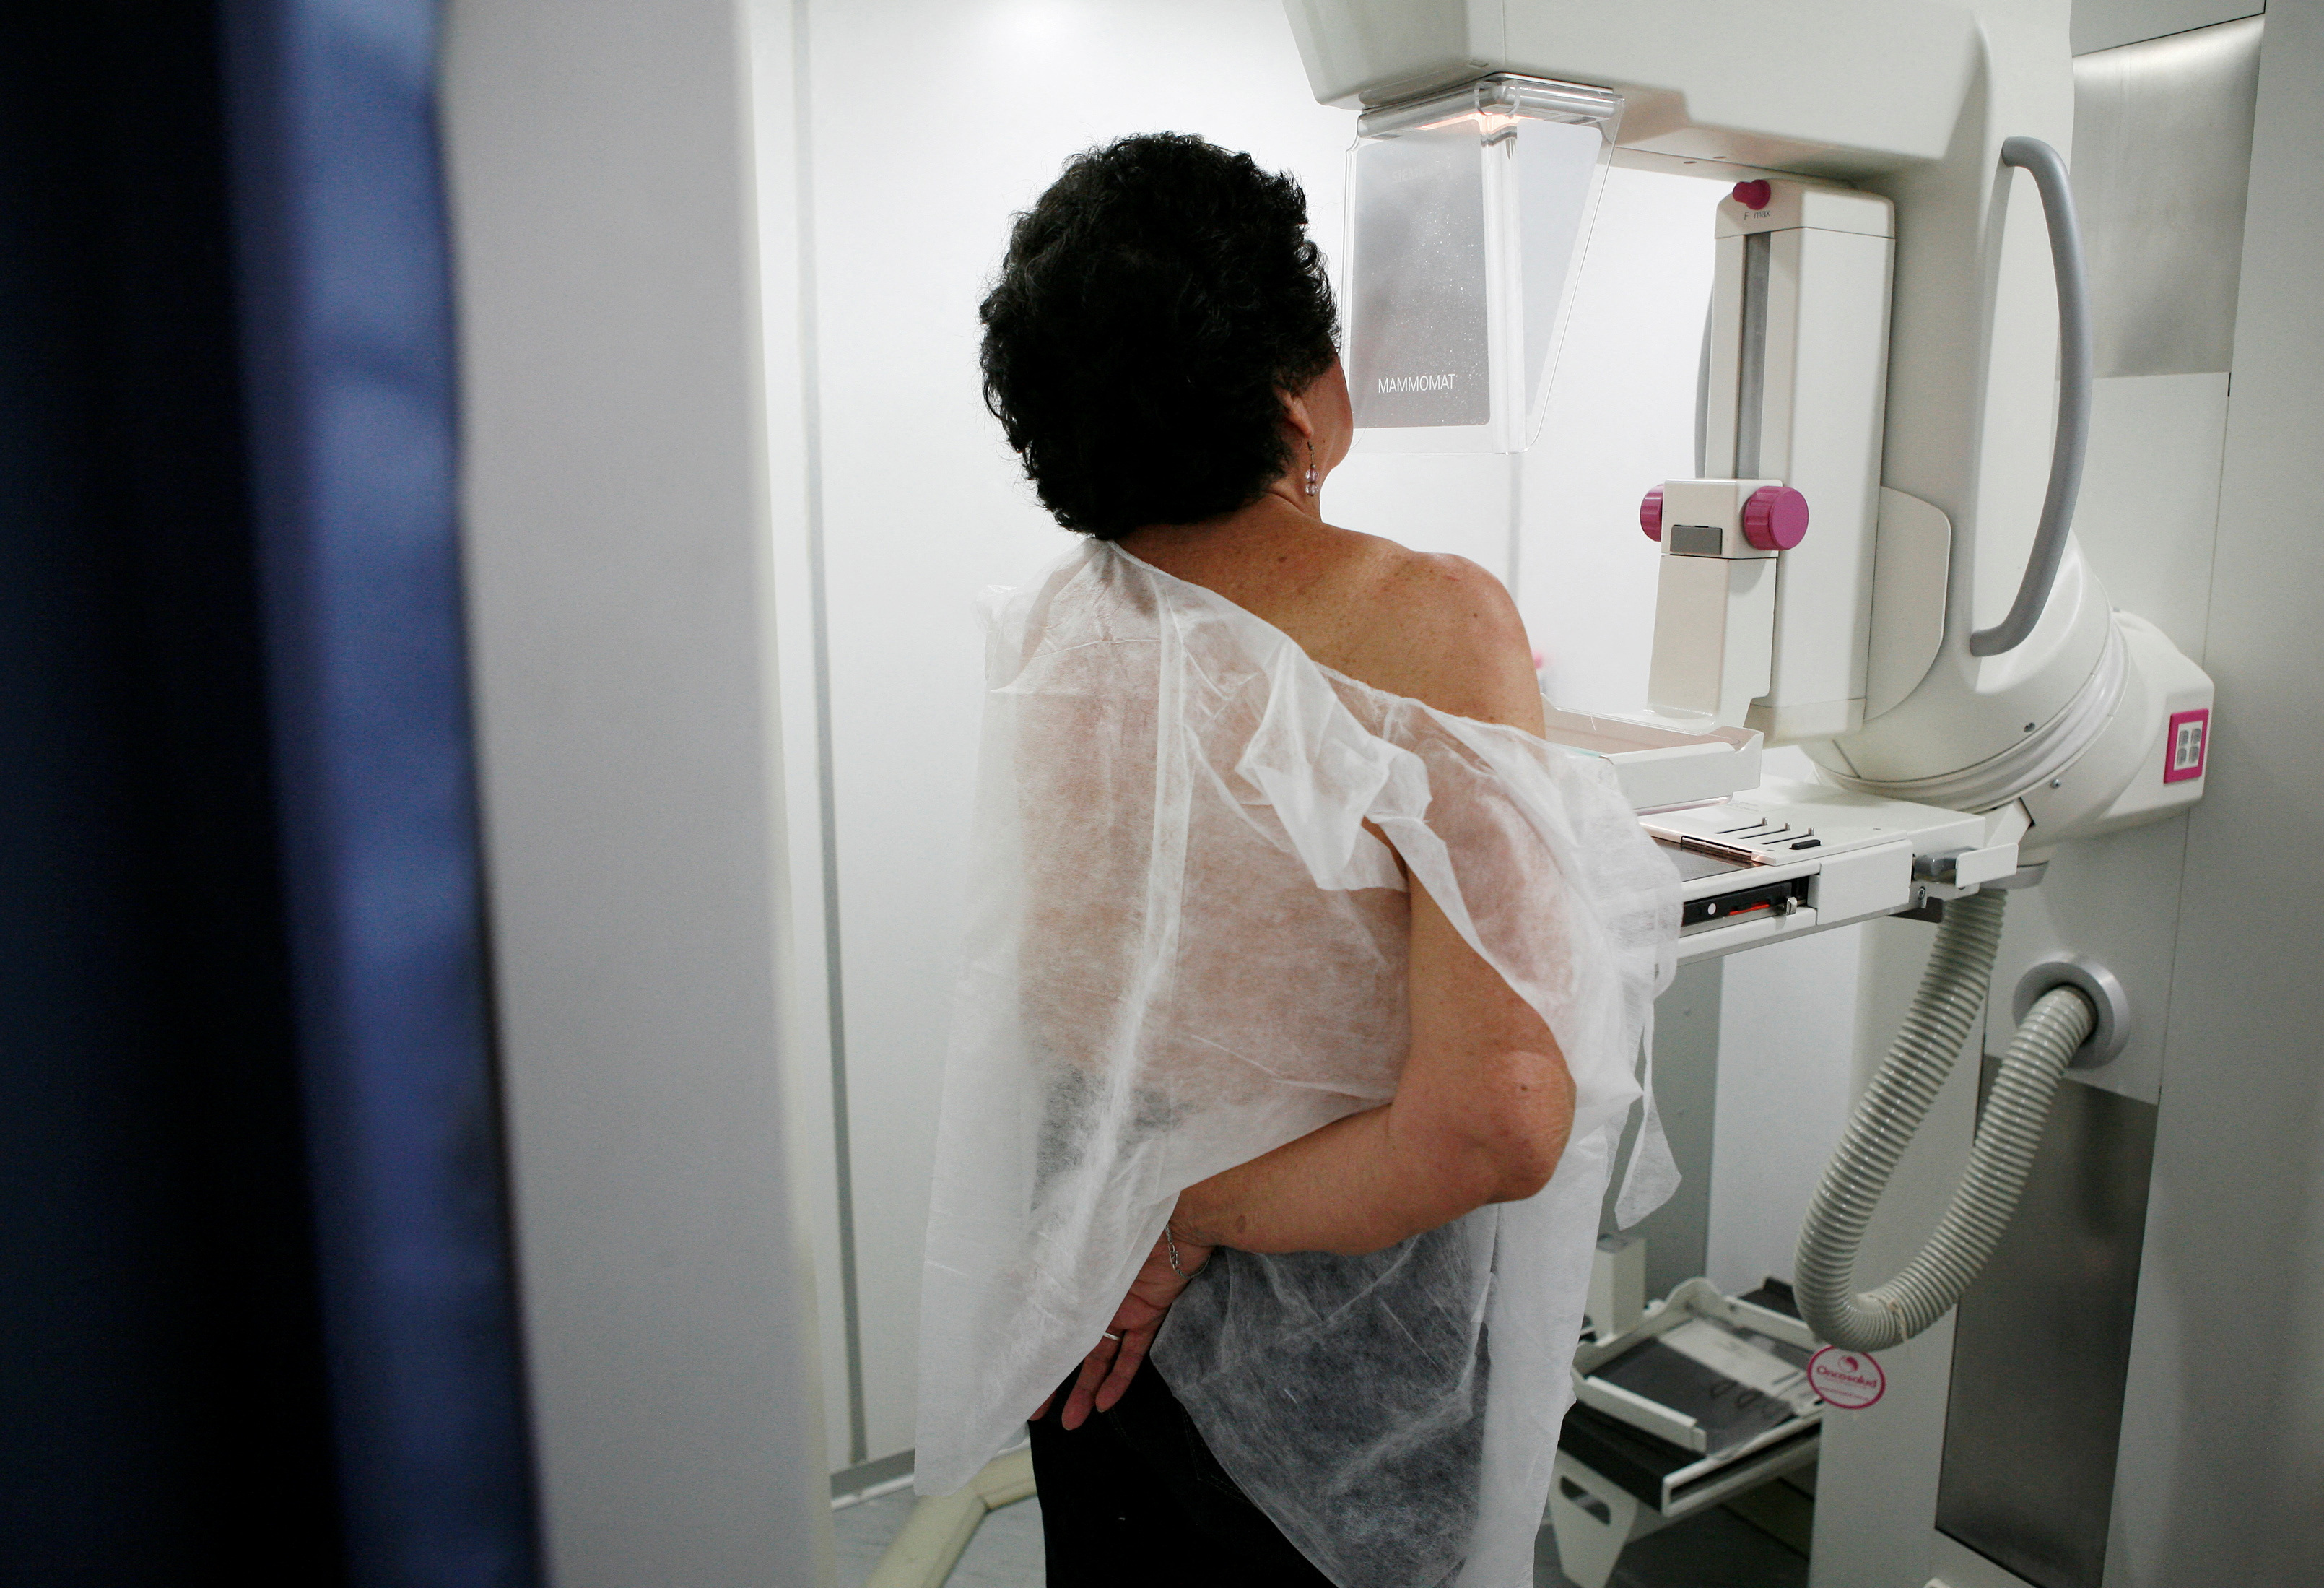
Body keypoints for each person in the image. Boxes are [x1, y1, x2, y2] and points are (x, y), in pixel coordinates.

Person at [914, 133, 1676, 1588]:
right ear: (1293, 390)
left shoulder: (1055, 634)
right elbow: (1492, 1123)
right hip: (1326, 1396)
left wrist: (1132, 1211)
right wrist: (1183, 1208)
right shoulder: (1423, 617)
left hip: (1087, 1324)